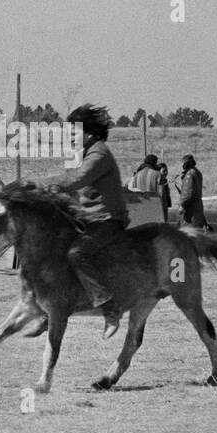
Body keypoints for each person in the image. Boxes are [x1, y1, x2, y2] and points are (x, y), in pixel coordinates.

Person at [55, 104, 128, 337]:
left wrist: (40, 183)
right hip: (89, 220)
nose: (70, 137)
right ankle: (52, 309)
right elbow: (74, 187)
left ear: (87, 133)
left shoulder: (99, 153)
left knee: (77, 254)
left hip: (107, 222)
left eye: (73, 132)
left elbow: (78, 179)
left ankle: (110, 307)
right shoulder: (87, 153)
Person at [176, 154, 207, 228]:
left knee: (189, 233)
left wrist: (182, 205)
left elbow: (187, 193)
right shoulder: (197, 172)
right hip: (197, 208)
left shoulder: (189, 174)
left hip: (190, 211)